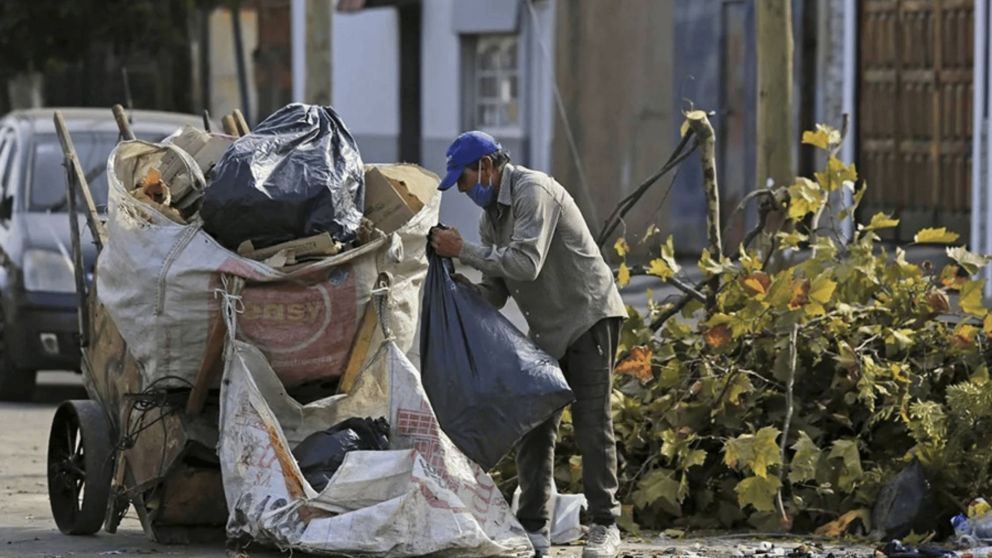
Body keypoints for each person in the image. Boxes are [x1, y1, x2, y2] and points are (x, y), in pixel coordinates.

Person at [429, 131, 627, 558]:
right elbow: (496, 292)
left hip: (589, 316)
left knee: (593, 423)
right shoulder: (490, 219)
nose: (463, 191)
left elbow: (526, 264)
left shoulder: (531, 191)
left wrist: (462, 250)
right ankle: (534, 526)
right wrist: (454, 290)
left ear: (485, 166)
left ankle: (605, 525)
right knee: (534, 421)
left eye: (463, 181)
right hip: (548, 330)